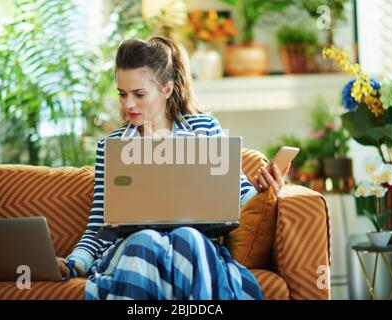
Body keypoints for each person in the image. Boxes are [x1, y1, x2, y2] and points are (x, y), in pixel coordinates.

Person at [56, 36, 290, 300]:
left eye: (139, 94)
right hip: (133, 248)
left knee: (188, 237)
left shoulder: (205, 130)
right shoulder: (111, 147)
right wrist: (74, 263)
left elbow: (241, 197)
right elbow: (98, 226)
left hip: (194, 244)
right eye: (122, 94)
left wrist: (266, 189)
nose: (128, 104)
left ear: (166, 89)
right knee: (146, 240)